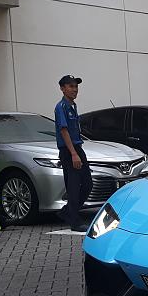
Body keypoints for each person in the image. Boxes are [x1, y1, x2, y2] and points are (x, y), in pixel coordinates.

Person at [54, 75, 93, 232]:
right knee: (74, 186)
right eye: (71, 86)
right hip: (69, 150)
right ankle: (74, 221)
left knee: (88, 184)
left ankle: (67, 212)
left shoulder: (73, 105)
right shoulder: (61, 107)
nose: (75, 89)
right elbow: (64, 131)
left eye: (76, 86)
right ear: (62, 88)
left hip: (77, 148)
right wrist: (73, 154)